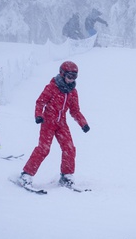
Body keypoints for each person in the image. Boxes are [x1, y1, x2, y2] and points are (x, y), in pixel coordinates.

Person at [17, 61, 90, 189]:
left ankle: (66, 176)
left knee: (69, 148)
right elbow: (40, 102)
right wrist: (39, 115)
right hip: (48, 122)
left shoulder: (73, 92)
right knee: (44, 149)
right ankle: (26, 174)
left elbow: (75, 110)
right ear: (62, 74)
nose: (71, 80)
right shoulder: (52, 87)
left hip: (62, 123)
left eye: (74, 77)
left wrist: (83, 123)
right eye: (69, 76)